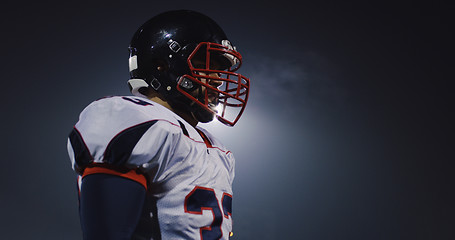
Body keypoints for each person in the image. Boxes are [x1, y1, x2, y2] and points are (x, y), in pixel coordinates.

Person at [66, 10, 250, 240]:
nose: (217, 79)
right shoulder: (136, 120)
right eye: (205, 64)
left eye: (221, 70)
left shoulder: (217, 148)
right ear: (162, 65)